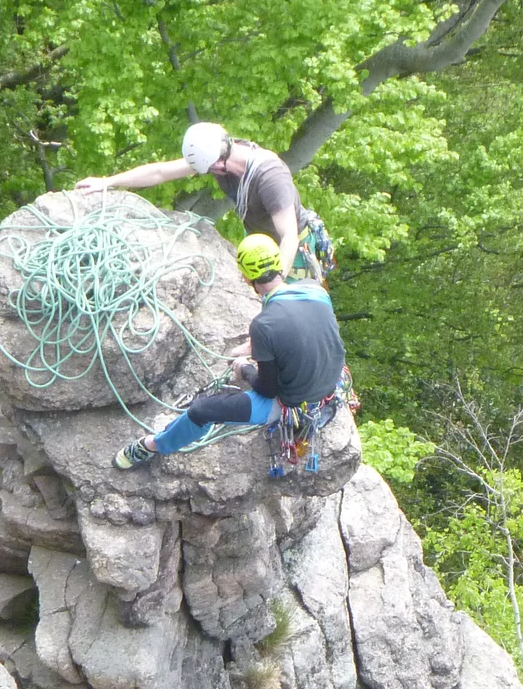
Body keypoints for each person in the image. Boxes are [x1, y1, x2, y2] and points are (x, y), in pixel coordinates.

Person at [115, 234, 346, 470]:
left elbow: (268, 389)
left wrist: (244, 369)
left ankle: (153, 445)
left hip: (291, 405)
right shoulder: (315, 290)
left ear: (246, 277)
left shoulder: (263, 325)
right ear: (278, 263)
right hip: (329, 387)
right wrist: (255, 347)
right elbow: (303, 329)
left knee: (201, 410)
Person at [76, 122, 333, 283]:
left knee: (289, 311)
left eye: (211, 169)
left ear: (219, 161)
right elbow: (161, 172)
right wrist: (107, 181)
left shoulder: (270, 177)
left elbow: (289, 235)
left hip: (292, 250)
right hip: (258, 239)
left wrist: (276, 284)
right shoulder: (217, 154)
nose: (210, 173)